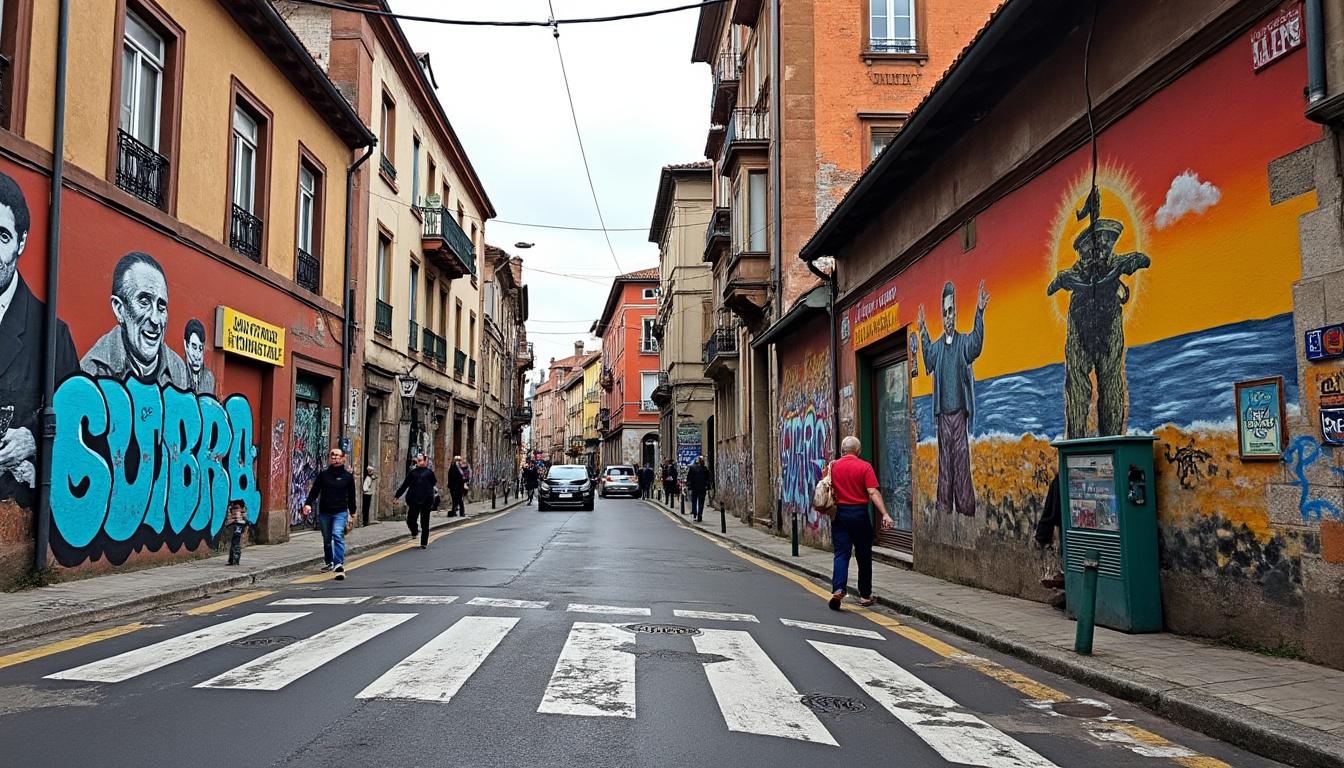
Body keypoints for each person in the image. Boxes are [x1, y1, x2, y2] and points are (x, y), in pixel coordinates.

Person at [0, 171, 78, 509]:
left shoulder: (51, 332)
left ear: (21, 242)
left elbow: (77, 418)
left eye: (1, 236)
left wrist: (32, 438)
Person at [918, 279, 987, 517]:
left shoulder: (962, 342)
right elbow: (927, 358)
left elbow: (976, 345)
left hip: (958, 414)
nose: (949, 317)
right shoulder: (937, 348)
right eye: (945, 313)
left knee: (961, 462)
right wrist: (922, 332)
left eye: (952, 312)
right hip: (942, 417)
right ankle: (944, 507)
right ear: (942, 315)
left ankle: (966, 507)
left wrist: (979, 312)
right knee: (944, 465)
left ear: (956, 314)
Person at [81, 251, 190, 389]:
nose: (155, 320)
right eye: (144, 302)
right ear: (119, 309)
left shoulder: (177, 369)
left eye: (161, 306)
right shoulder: (94, 370)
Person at [826, 435, 894, 610]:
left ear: (842, 450)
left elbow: (826, 487)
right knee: (863, 555)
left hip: (839, 514)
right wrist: (884, 514)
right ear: (858, 450)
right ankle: (864, 595)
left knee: (841, 553)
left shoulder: (832, 467)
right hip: (859, 514)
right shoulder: (865, 467)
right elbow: (872, 492)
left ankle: (838, 589)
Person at [302, 446, 358, 580]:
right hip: (325, 512)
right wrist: (308, 503)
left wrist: (353, 512)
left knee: (337, 535)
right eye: (333, 456)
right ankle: (329, 561)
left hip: (340, 512)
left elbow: (351, 495)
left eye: (338, 456)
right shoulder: (324, 474)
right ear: (330, 458)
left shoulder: (348, 477)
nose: (335, 458)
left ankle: (338, 563)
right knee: (327, 540)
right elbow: (315, 490)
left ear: (343, 458)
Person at [394, 452, 437, 549]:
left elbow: (433, 483)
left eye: (422, 460)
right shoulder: (412, 473)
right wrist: (397, 496)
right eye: (419, 460)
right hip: (414, 500)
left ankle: (424, 543)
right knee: (410, 520)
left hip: (426, 500)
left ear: (425, 461)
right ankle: (414, 531)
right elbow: (405, 485)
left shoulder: (430, 473)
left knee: (425, 522)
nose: (420, 462)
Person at [182, 318, 216, 395]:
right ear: (186, 345)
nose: (197, 355)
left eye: (200, 348)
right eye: (194, 347)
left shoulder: (209, 378)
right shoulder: (179, 372)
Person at [225, 499, 249, 566]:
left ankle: (235, 559)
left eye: (237, 508)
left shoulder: (242, 511)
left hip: (239, 525)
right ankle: (232, 560)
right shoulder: (231, 510)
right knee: (234, 542)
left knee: (236, 542)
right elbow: (229, 516)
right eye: (234, 508)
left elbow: (244, 517)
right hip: (235, 525)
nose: (235, 510)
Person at [686, 456, 710, 522]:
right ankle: (700, 515)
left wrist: (689, 485)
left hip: (694, 488)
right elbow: (708, 479)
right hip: (702, 488)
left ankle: (694, 514)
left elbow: (689, 478)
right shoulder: (705, 469)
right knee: (701, 502)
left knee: (694, 501)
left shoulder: (692, 468)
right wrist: (707, 486)